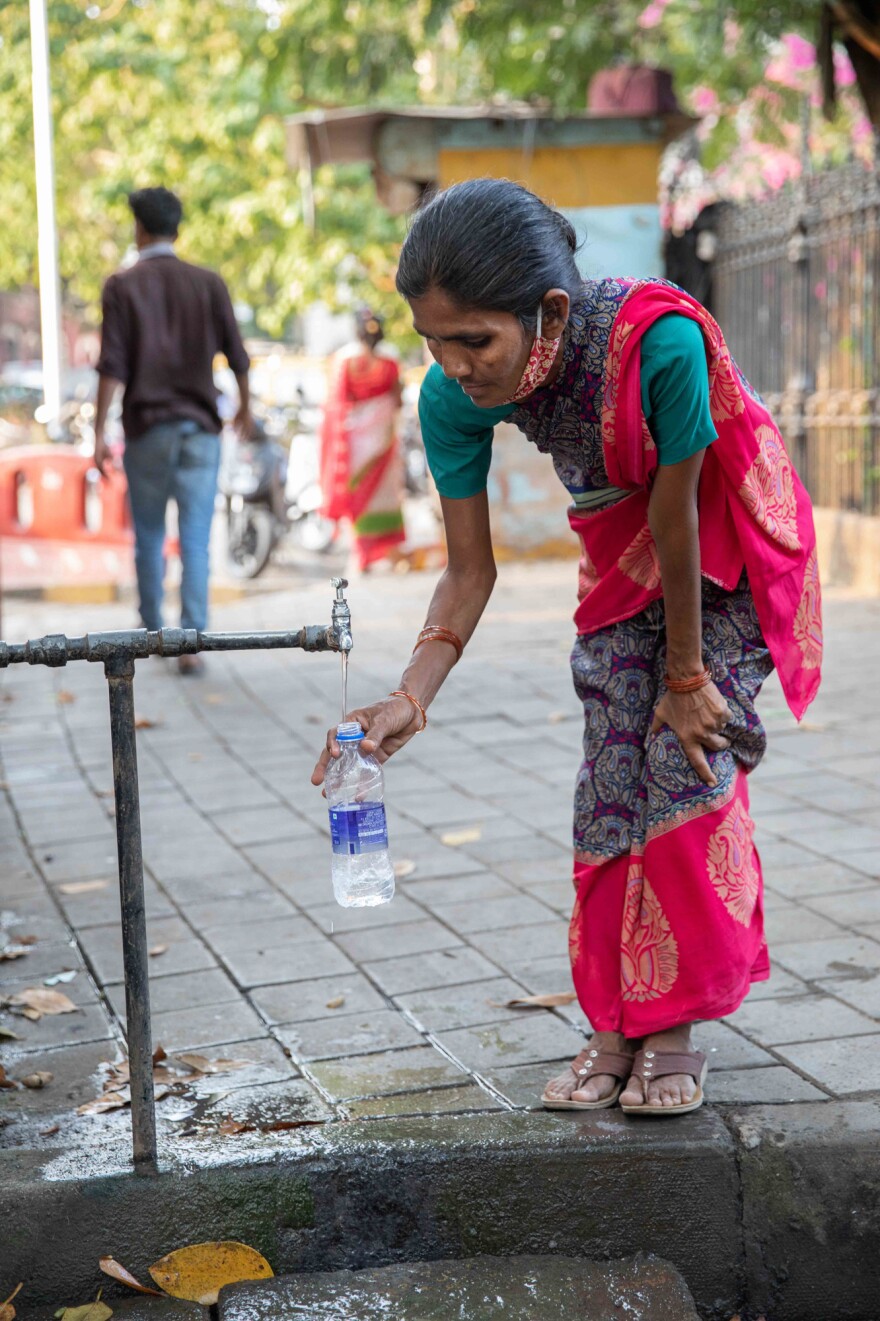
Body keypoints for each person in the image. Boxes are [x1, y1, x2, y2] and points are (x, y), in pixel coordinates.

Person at [313, 178, 823, 1116]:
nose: (456, 365)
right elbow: (468, 572)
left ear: (548, 313)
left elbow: (678, 517)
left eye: (475, 342)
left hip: (720, 560)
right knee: (608, 785)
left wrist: (685, 675)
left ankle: (671, 1026)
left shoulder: (659, 343)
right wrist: (410, 695)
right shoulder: (449, 398)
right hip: (623, 563)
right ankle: (614, 1023)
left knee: (683, 762)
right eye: (435, 342)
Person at [94, 186, 252, 674]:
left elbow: (112, 365)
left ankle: (148, 635)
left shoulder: (121, 286)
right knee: (196, 536)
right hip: (201, 429)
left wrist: (97, 430)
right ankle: (189, 642)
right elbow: (238, 355)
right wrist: (245, 407)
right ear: (177, 228)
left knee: (147, 534)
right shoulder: (208, 282)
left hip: (146, 430)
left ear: (139, 228)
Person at [320, 308, 406, 572]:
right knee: (384, 496)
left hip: (355, 445)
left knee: (357, 496)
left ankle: (361, 556)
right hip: (382, 440)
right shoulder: (391, 363)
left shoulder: (344, 362)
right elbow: (398, 401)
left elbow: (337, 405)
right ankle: (382, 554)